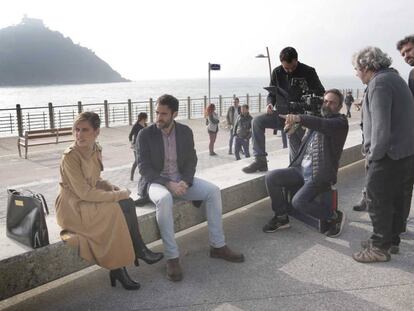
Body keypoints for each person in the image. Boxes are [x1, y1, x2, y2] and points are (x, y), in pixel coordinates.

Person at [137, 94, 244, 282]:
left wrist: (185, 182)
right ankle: (172, 257)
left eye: (163, 114)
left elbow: (192, 160)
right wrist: (169, 184)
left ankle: (218, 246)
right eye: (157, 113)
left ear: (174, 114)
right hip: (156, 183)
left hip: (181, 180)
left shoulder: (185, 131)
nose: (158, 117)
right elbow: (144, 168)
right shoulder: (145, 134)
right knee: (164, 199)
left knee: (212, 191)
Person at [55, 111, 163, 291]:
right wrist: (117, 195)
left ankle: (139, 249)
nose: (78, 135)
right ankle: (119, 268)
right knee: (114, 209)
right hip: (72, 207)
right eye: (76, 130)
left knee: (127, 203)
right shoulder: (70, 156)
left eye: (84, 130)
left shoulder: (96, 148)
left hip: (86, 199)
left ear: (96, 132)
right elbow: (84, 193)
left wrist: (111, 186)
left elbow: (95, 179)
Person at [351, 46, 414, 263]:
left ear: (367, 67)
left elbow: (380, 126)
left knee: (377, 200)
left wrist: (373, 157)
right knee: (395, 200)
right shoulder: (395, 79)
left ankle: (379, 247)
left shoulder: (379, 83)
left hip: (387, 154)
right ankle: (391, 241)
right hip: (405, 152)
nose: (356, 73)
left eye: (356, 68)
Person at [262, 89, 348, 238]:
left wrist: (298, 118)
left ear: (340, 106)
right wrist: (291, 133)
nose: (327, 105)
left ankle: (333, 216)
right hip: (301, 169)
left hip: (319, 174)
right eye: (325, 101)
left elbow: (322, 124)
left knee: (298, 202)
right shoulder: (317, 120)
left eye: (332, 102)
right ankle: (281, 217)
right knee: (271, 177)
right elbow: (302, 146)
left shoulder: (339, 123)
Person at [243, 47, 325, 173]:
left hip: (300, 118)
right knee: (257, 122)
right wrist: (270, 104)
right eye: (286, 68)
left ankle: (296, 170)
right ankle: (260, 161)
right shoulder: (276, 72)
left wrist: (306, 94)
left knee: (295, 144)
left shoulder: (308, 71)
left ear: (296, 60)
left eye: (292, 67)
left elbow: (320, 92)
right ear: (281, 63)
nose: (290, 70)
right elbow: (272, 93)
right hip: (281, 115)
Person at [396, 35, 414, 233]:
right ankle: (399, 226)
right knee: (405, 185)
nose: (406, 56)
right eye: (403, 54)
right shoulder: (412, 74)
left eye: (408, 51)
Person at [129, 112, 148, 181]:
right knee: (137, 161)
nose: (147, 119)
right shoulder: (136, 126)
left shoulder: (145, 125)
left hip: (144, 145)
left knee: (144, 160)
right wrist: (132, 144)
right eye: (146, 118)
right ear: (143, 118)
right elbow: (130, 135)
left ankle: (143, 175)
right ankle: (131, 176)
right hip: (136, 146)